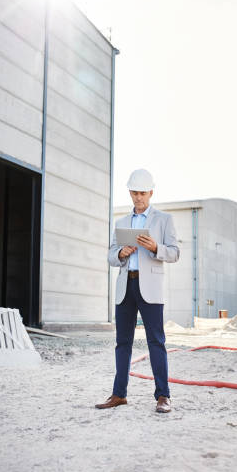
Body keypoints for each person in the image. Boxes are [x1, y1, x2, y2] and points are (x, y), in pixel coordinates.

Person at [95, 169, 180, 413]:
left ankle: (163, 396)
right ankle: (119, 394)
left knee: (156, 341)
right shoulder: (121, 223)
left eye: (142, 193)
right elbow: (111, 256)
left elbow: (174, 253)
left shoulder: (164, 220)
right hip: (126, 286)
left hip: (150, 287)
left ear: (151, 192)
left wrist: (155, 247)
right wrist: (120, 254)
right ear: (130, 192)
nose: (138, 197)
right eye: (134, 192)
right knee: (122, 343)